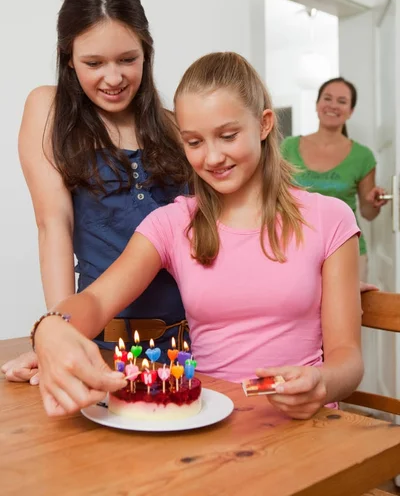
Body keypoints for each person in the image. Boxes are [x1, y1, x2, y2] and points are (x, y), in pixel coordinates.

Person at [32, 52, 363, 420]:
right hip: (205, 425)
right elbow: (94, 302)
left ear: (265, 123)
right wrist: (50, 328)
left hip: (307, 429)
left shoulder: (330, 218)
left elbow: (347, 360)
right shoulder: (172, 224)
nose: (212, 157)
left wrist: (321, 382)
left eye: (228, 136)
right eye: (194, 142)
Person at [1, 0, 191, 383]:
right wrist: (59, 335)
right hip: (105, 347)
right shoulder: (47, 108)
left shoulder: (174, 126)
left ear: (147, 53)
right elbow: (54, 224)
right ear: (67, 57)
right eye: (94, 63)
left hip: (194, 347)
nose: (113, 78)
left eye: (127, 59)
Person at [280, 77, 388, 282]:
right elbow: (274, 196)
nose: (333, 105)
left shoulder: (362, 156)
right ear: (317, 104)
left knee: (347, 313)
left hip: (347, 249)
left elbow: (368, 213)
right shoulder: (288, 147)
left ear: (351, 111)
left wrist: (374, 202)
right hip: (295, 246)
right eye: (327, 98)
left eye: (342, 101)